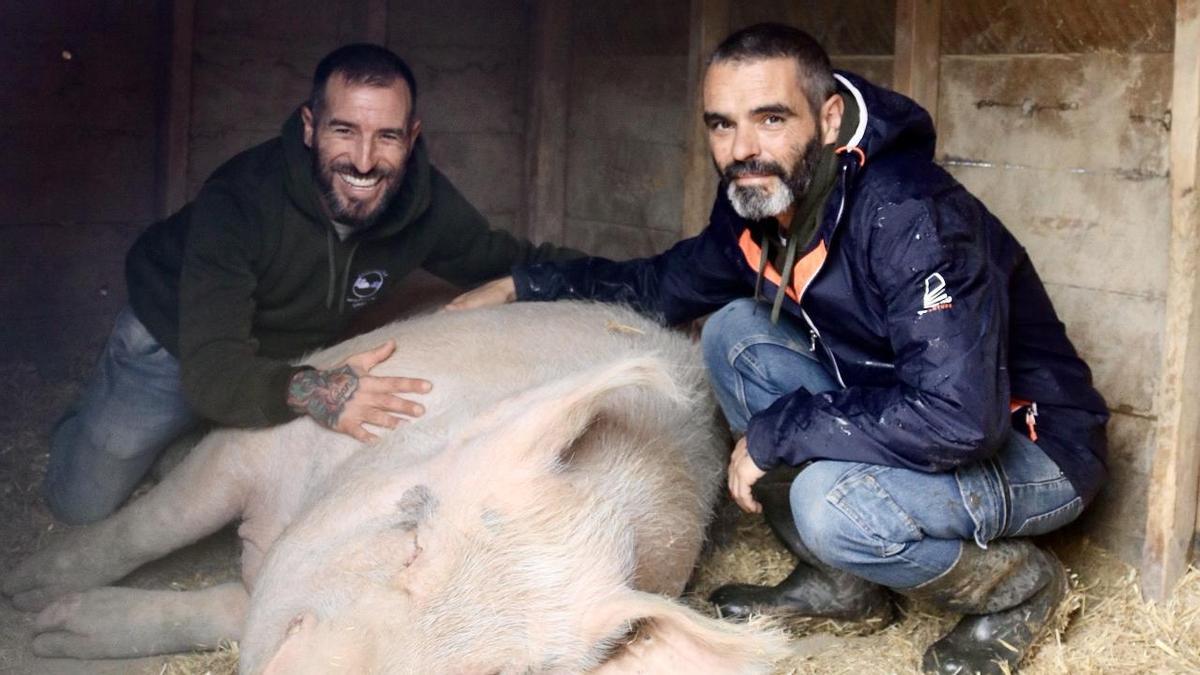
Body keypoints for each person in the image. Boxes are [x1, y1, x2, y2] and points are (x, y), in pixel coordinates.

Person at [448, 23, 1108, 675]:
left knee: (830, 502)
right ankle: (843, 587)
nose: (742, 149)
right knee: (735, 333)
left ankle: (1019, 587)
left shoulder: (911, 214)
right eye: (721, 124)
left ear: (827, 116)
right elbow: (661, 284)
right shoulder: (760, 204)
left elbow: (962, 417)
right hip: (901, 409)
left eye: (769, 119)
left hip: (1032, 443)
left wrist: (781, 430)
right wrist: (524, 282)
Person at [46, 43, 577, 527]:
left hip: (286, 349)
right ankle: (96, 412)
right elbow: (213, 374)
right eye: (344, 130)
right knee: (79, 504)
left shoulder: (427, 203)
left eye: (386, 136)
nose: (365, 161)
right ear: (309, 127)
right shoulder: (239, 199)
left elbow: (518, 260)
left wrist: (644, 280)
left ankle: (193, 443)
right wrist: (323, 393)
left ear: (410, 137)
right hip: (176, 339)